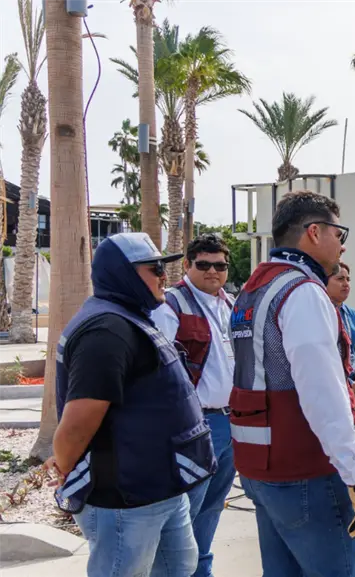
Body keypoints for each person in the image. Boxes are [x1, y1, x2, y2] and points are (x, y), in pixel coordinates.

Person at [48, 233, 216, 577]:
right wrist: (67, 468)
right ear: (123, 273)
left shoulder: (130, 318)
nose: (163, 276)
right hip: (127, 498)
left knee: (178, 567)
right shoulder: (106, 330)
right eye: (154, 268)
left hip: (160, 491)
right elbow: (78, 422)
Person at [229, 191, 355, 577]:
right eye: (338, 233)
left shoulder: (252, 290)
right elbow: (322, 395)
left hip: (259, 467)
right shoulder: (302, 292)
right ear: (313, 232)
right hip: (306, 469)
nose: (341, 244)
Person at [151, 234, 236, 577]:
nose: (213, 272)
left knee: (213, 506)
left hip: (232, 422)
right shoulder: (171, 305)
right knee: (185, 509)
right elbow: (157, 370)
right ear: (187, 266)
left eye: (220, 265)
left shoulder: (229, 303)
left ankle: (200, 570)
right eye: (203, 264)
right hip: (196, 424)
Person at [326, 261, 355, 408]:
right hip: (331, 393)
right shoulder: (321, 314)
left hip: (352, 393)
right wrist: (350, 385)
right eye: (340, 279)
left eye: (348, 279)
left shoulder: (351, 315)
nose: (346, 284)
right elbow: (323, 363)